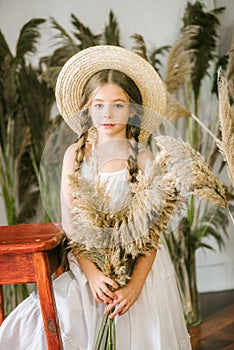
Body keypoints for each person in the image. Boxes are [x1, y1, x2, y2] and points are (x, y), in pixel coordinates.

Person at [0, 45, 192, 349]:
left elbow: (153, 234)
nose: (108, 113)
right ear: (87, 108)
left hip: (139, 267)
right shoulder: (74, 155)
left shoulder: (142, 158)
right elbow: (72, 225)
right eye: (99, 104)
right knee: (52, 315)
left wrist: (134, 286)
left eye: (118, 105)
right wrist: (92, 275)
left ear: (133, 109)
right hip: (89, 264)